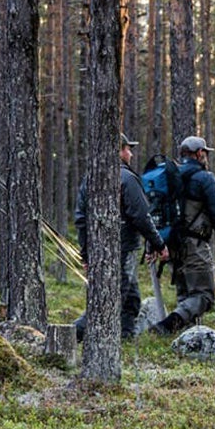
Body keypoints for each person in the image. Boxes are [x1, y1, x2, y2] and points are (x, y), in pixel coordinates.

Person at [74, 134, 167, 341]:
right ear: (118, 150)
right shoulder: (127, 178)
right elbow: (142, 216)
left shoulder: (90, 177)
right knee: (111, 301)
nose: (130, 154)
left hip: (100, 250)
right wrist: (159, 243)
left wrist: (86, 255)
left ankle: (125, 338)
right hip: (123, 249)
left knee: (131, 299)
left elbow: (81, 219)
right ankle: (70, 335)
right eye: (127, 149)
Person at [157, 136, 215, 334]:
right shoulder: (205, 178)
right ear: (199, 153)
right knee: (204, 296)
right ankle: (166, 327)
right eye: (205, 152)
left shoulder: (170, 176)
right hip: (195, 244)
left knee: (185, 295)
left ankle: (185, 339)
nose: (206, 156)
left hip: (173, 243)